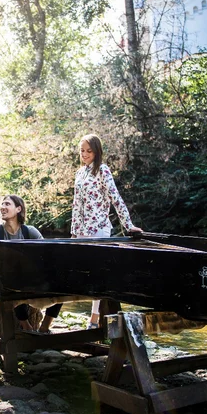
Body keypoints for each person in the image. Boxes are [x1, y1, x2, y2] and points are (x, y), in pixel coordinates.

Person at [71, 134, 142, 329]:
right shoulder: (80, 173)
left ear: (96, 151)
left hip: (99, 228)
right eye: (82, 151)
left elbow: (115, 198)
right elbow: (77, 204)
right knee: (83, 271)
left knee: (98, 271)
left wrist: (128, 225)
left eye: (89, 151)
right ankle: (93, 315)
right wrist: (74, 231)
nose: (84, 154)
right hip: (83, 230)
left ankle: (94, 317)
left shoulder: (102, 170)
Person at [0, 194, 61, 334]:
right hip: (8, 281)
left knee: (62, 284)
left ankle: (45, 327)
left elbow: (46, 253)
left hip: (32, 278)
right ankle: (26, 326)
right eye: (2, 204)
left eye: (7, 204)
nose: (2, 207)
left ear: (18, 209)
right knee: (11, 283)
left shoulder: (30, 231)